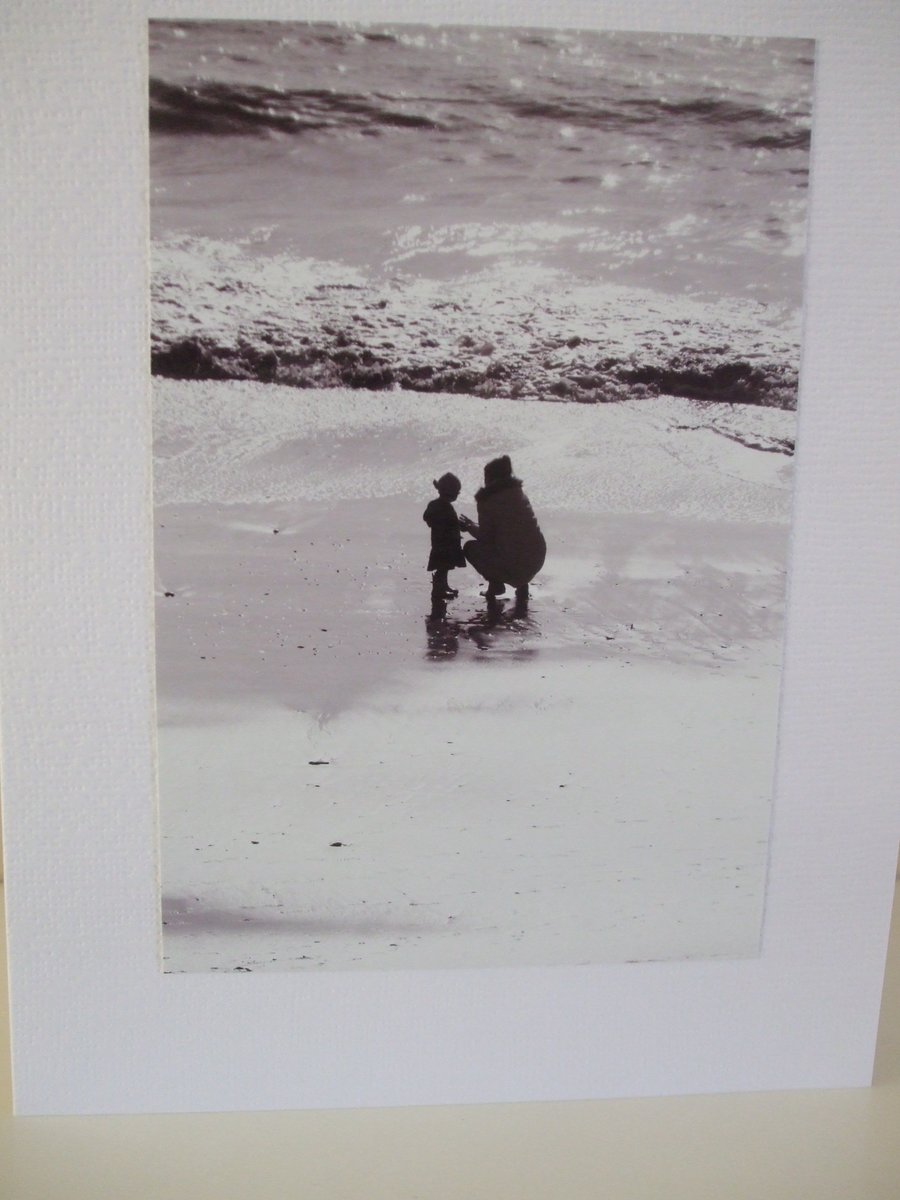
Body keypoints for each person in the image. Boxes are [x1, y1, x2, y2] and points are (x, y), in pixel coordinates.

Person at [462, 455, 546, 608]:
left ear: (491, 478)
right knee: (515, 541)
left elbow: (486, 538)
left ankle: (496, 585)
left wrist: (469, 527)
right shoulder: (519, 494)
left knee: (470, 547)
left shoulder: (487, 501)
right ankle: (522, 586)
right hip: (537, 557)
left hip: (515, 564)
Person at [423, 472, 467, 605]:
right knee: (443, 567)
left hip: (440, 542)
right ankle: (439, 589)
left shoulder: (435, 504)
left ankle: (443, 586)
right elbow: (444, 522)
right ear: (452, 493)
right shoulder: (445, 507)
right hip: (445, 543)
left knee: (444, 567)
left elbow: (427, 517)